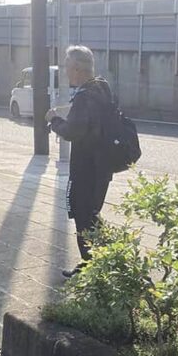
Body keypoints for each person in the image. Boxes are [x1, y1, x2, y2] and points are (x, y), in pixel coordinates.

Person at [46, 45, 115, 278]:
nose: (65, 72)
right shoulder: (101, 88)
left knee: (83, 215)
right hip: (101, 166)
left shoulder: (85, 96)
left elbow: (73, 131)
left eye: (67, 66)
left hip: (86, 168)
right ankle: (106, 262)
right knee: (91, 214)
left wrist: (54, 120)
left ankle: (93, 267)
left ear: (76, 68)